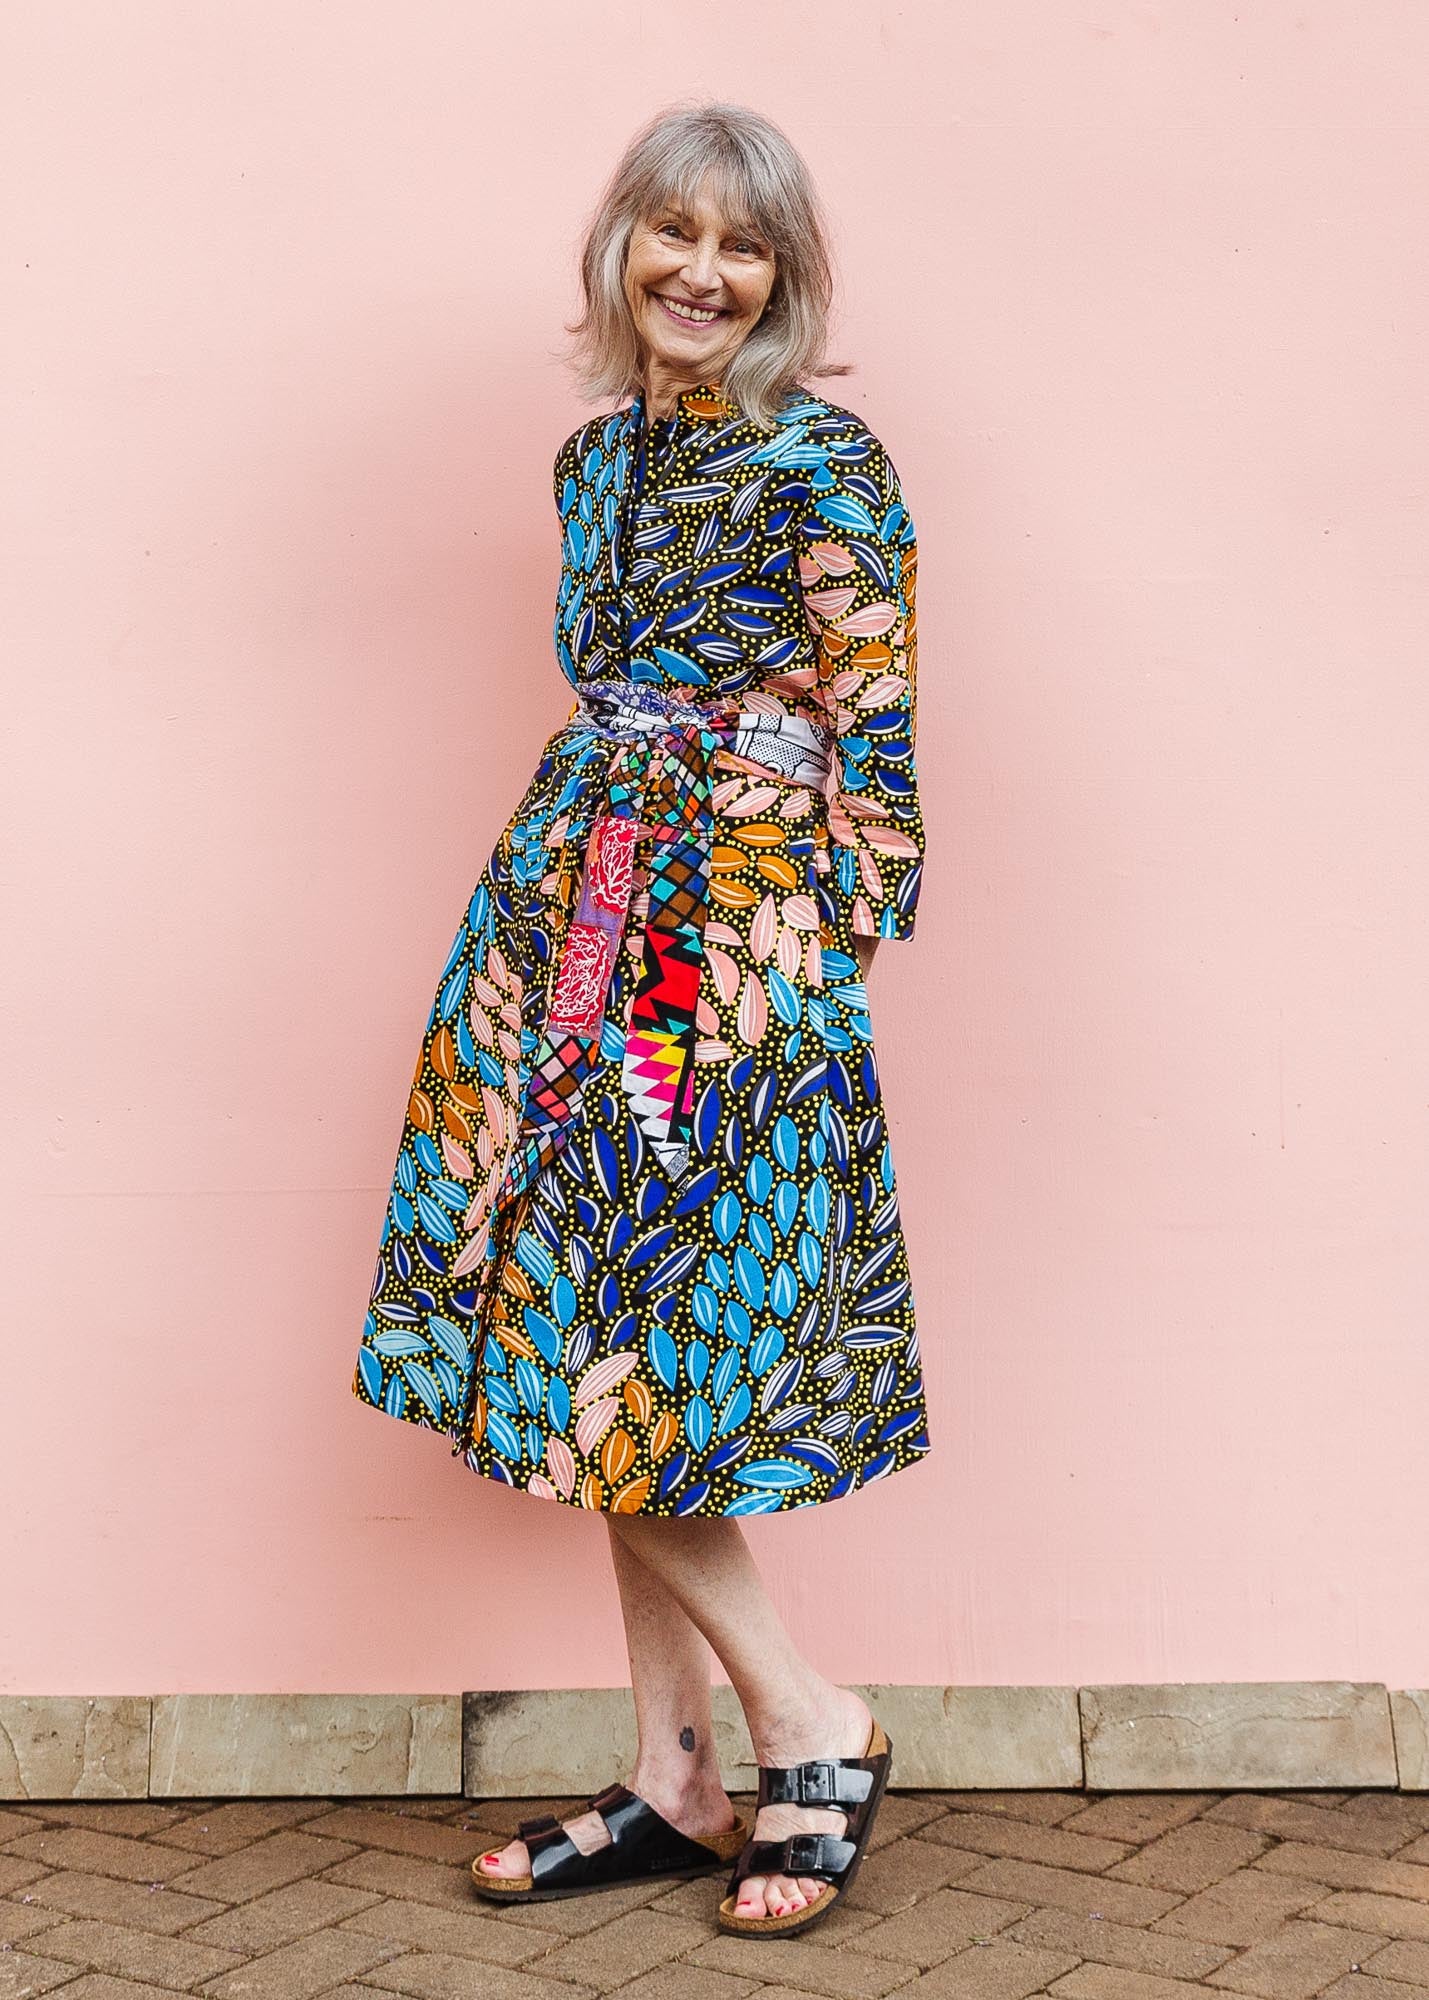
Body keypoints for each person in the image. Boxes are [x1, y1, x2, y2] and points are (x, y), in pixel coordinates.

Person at [351, 98, 929, 1938]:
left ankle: (809, 1723)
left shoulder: (825, 461)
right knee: (582, 1325)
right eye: (671, 233)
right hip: (560, 911)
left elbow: (877, 723)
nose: (700, 271)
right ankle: (675, 1772)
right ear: (621, 247)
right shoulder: (590, 464)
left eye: (740, 245)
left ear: (782, 277)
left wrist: (816, 940)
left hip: (713, 940)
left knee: (634, 1323)